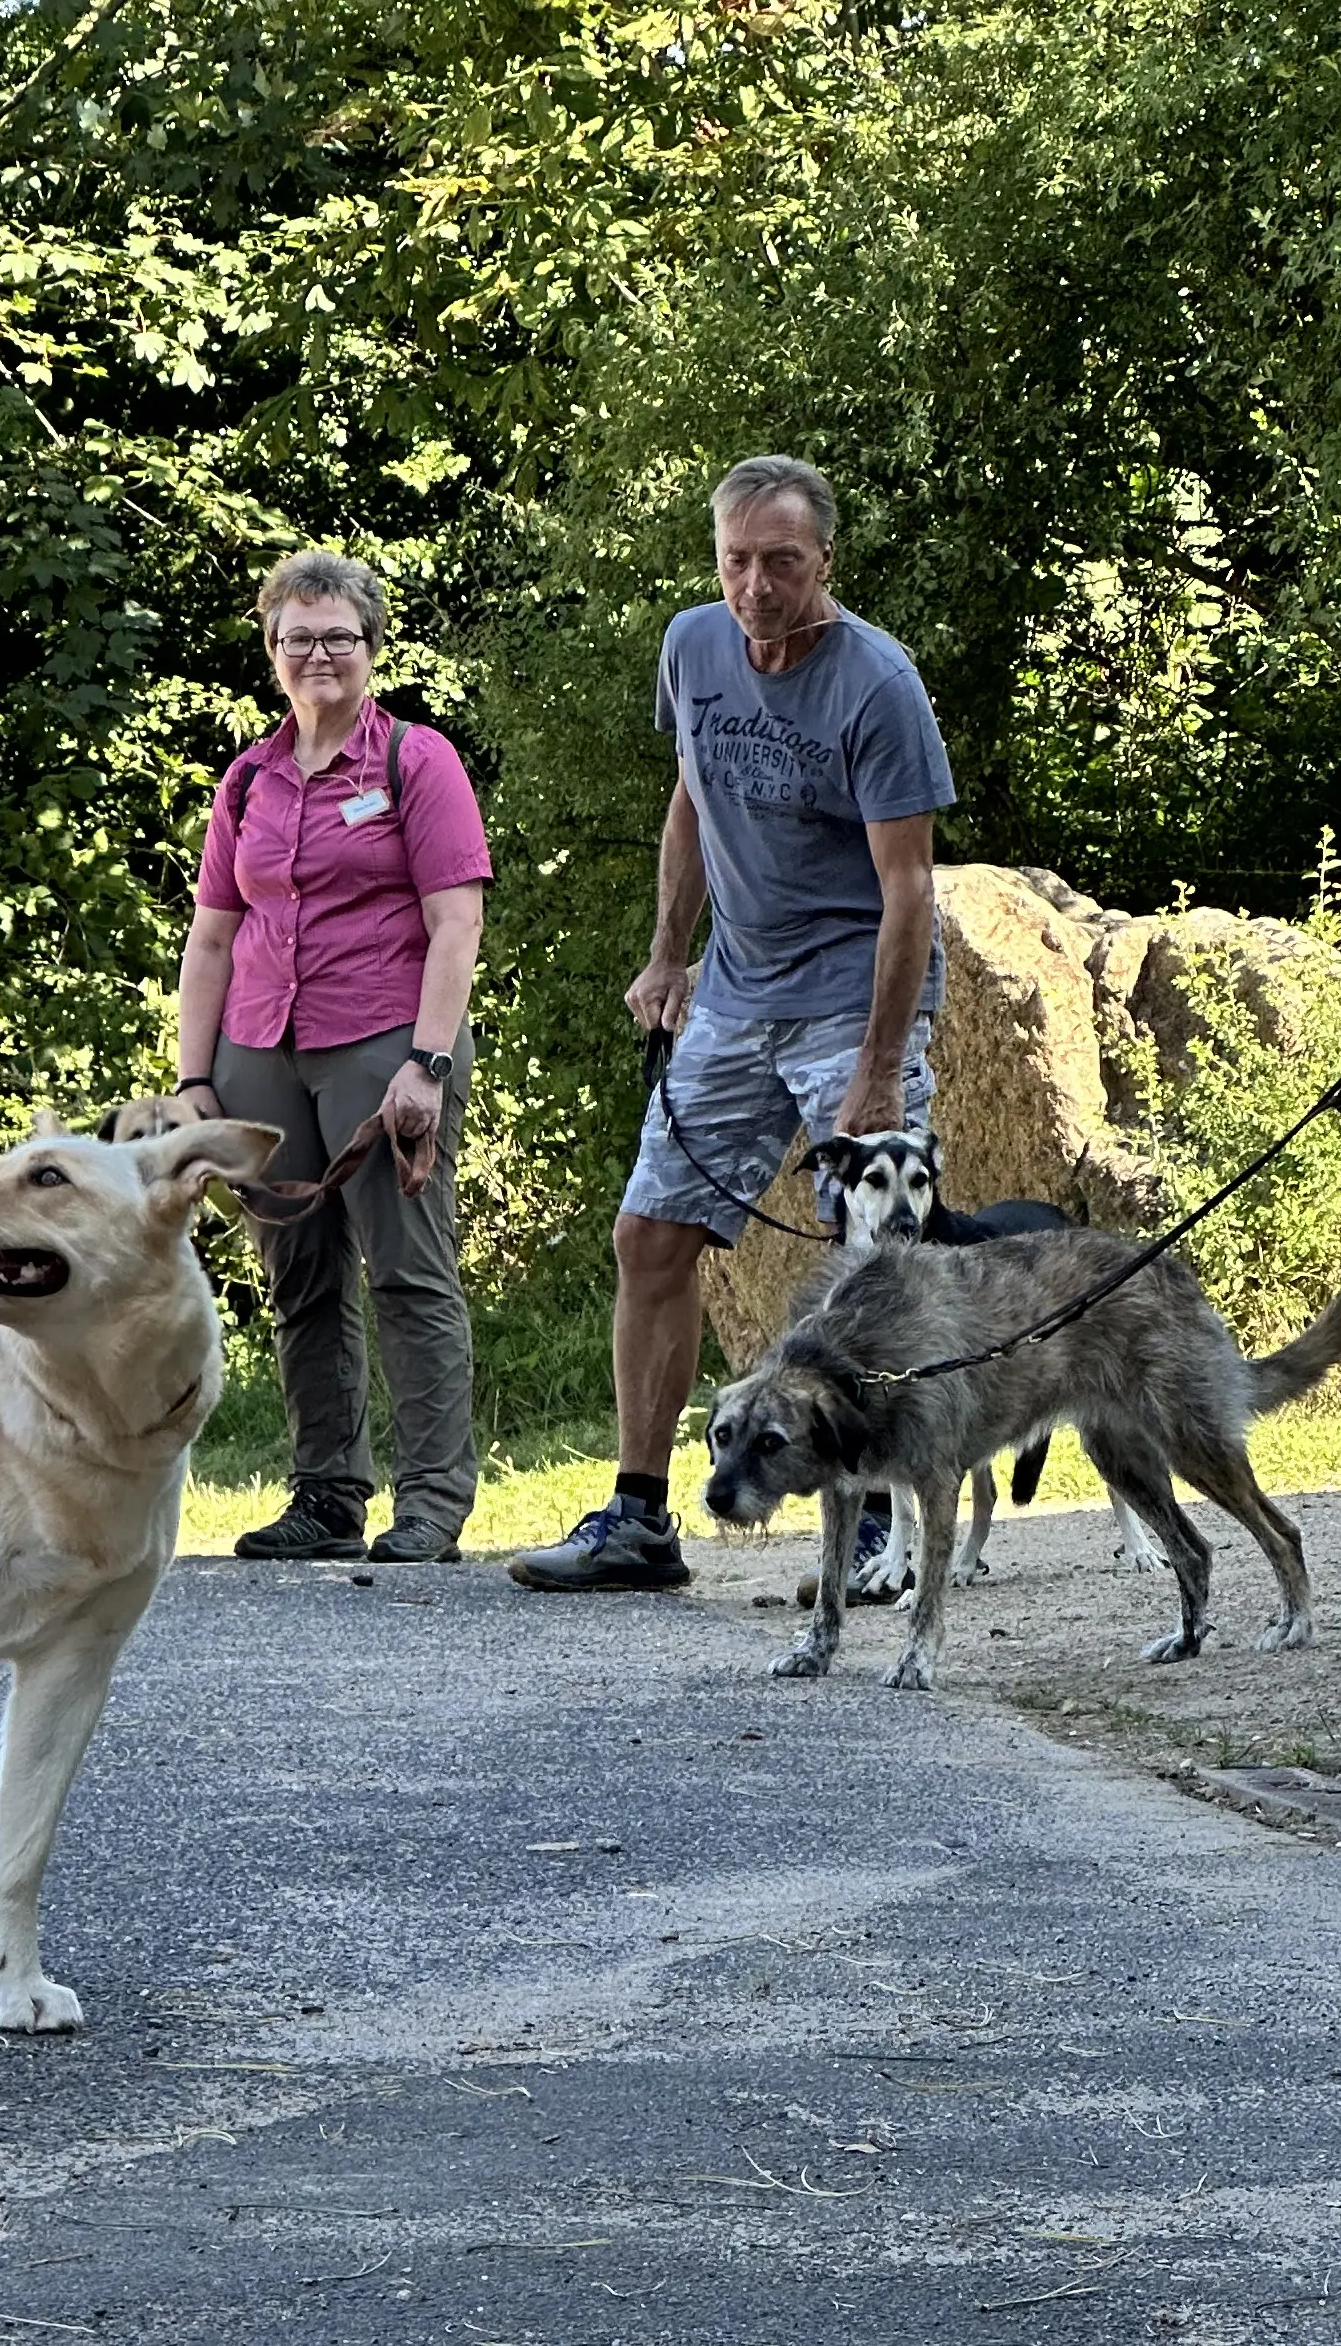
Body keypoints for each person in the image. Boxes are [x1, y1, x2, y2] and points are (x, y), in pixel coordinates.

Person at [510, 454, 955, 1594]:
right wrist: (669, 954)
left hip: (853, 995)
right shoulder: (693, 644)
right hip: (736, 989)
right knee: (649, 1235)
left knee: (872, 1264)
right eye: (737, 561)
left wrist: (877, 1072)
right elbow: (692, 793)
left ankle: (873, 1529)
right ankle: (640, 1518)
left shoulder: (877, 686)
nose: (756, 587)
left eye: (782, 564)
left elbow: (909, 892)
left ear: (826, 565)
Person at [171, 550, 488, 1565]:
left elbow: (456, 925)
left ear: (371, 647)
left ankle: (432, 1504)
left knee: (407, 1273)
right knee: (299, 1278)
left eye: (338, 637)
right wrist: (192, 1080)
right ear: (271, 650)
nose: (319, 654)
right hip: (260, 1048)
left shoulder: (415, 761)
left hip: (385, 1045)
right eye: (298, 637)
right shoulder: (250, 779)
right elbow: (212, 938)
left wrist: (426, 1065)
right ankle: (327, 1496)